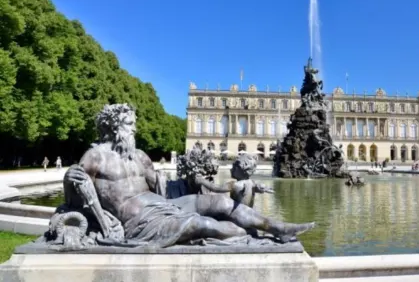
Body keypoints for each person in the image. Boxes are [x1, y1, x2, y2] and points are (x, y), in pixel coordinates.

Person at [66, 104, 313, 247]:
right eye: (130, 125)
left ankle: (277, 227)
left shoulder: (139, 155)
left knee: (222, 202)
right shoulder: (95, 157)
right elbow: (74, 199)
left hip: (162, 205)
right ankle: (253, 236)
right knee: (200, 223)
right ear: (114, 126)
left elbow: (165, 187)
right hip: (139, 222)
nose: (135, 129)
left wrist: (192, 180)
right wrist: (69, 181)